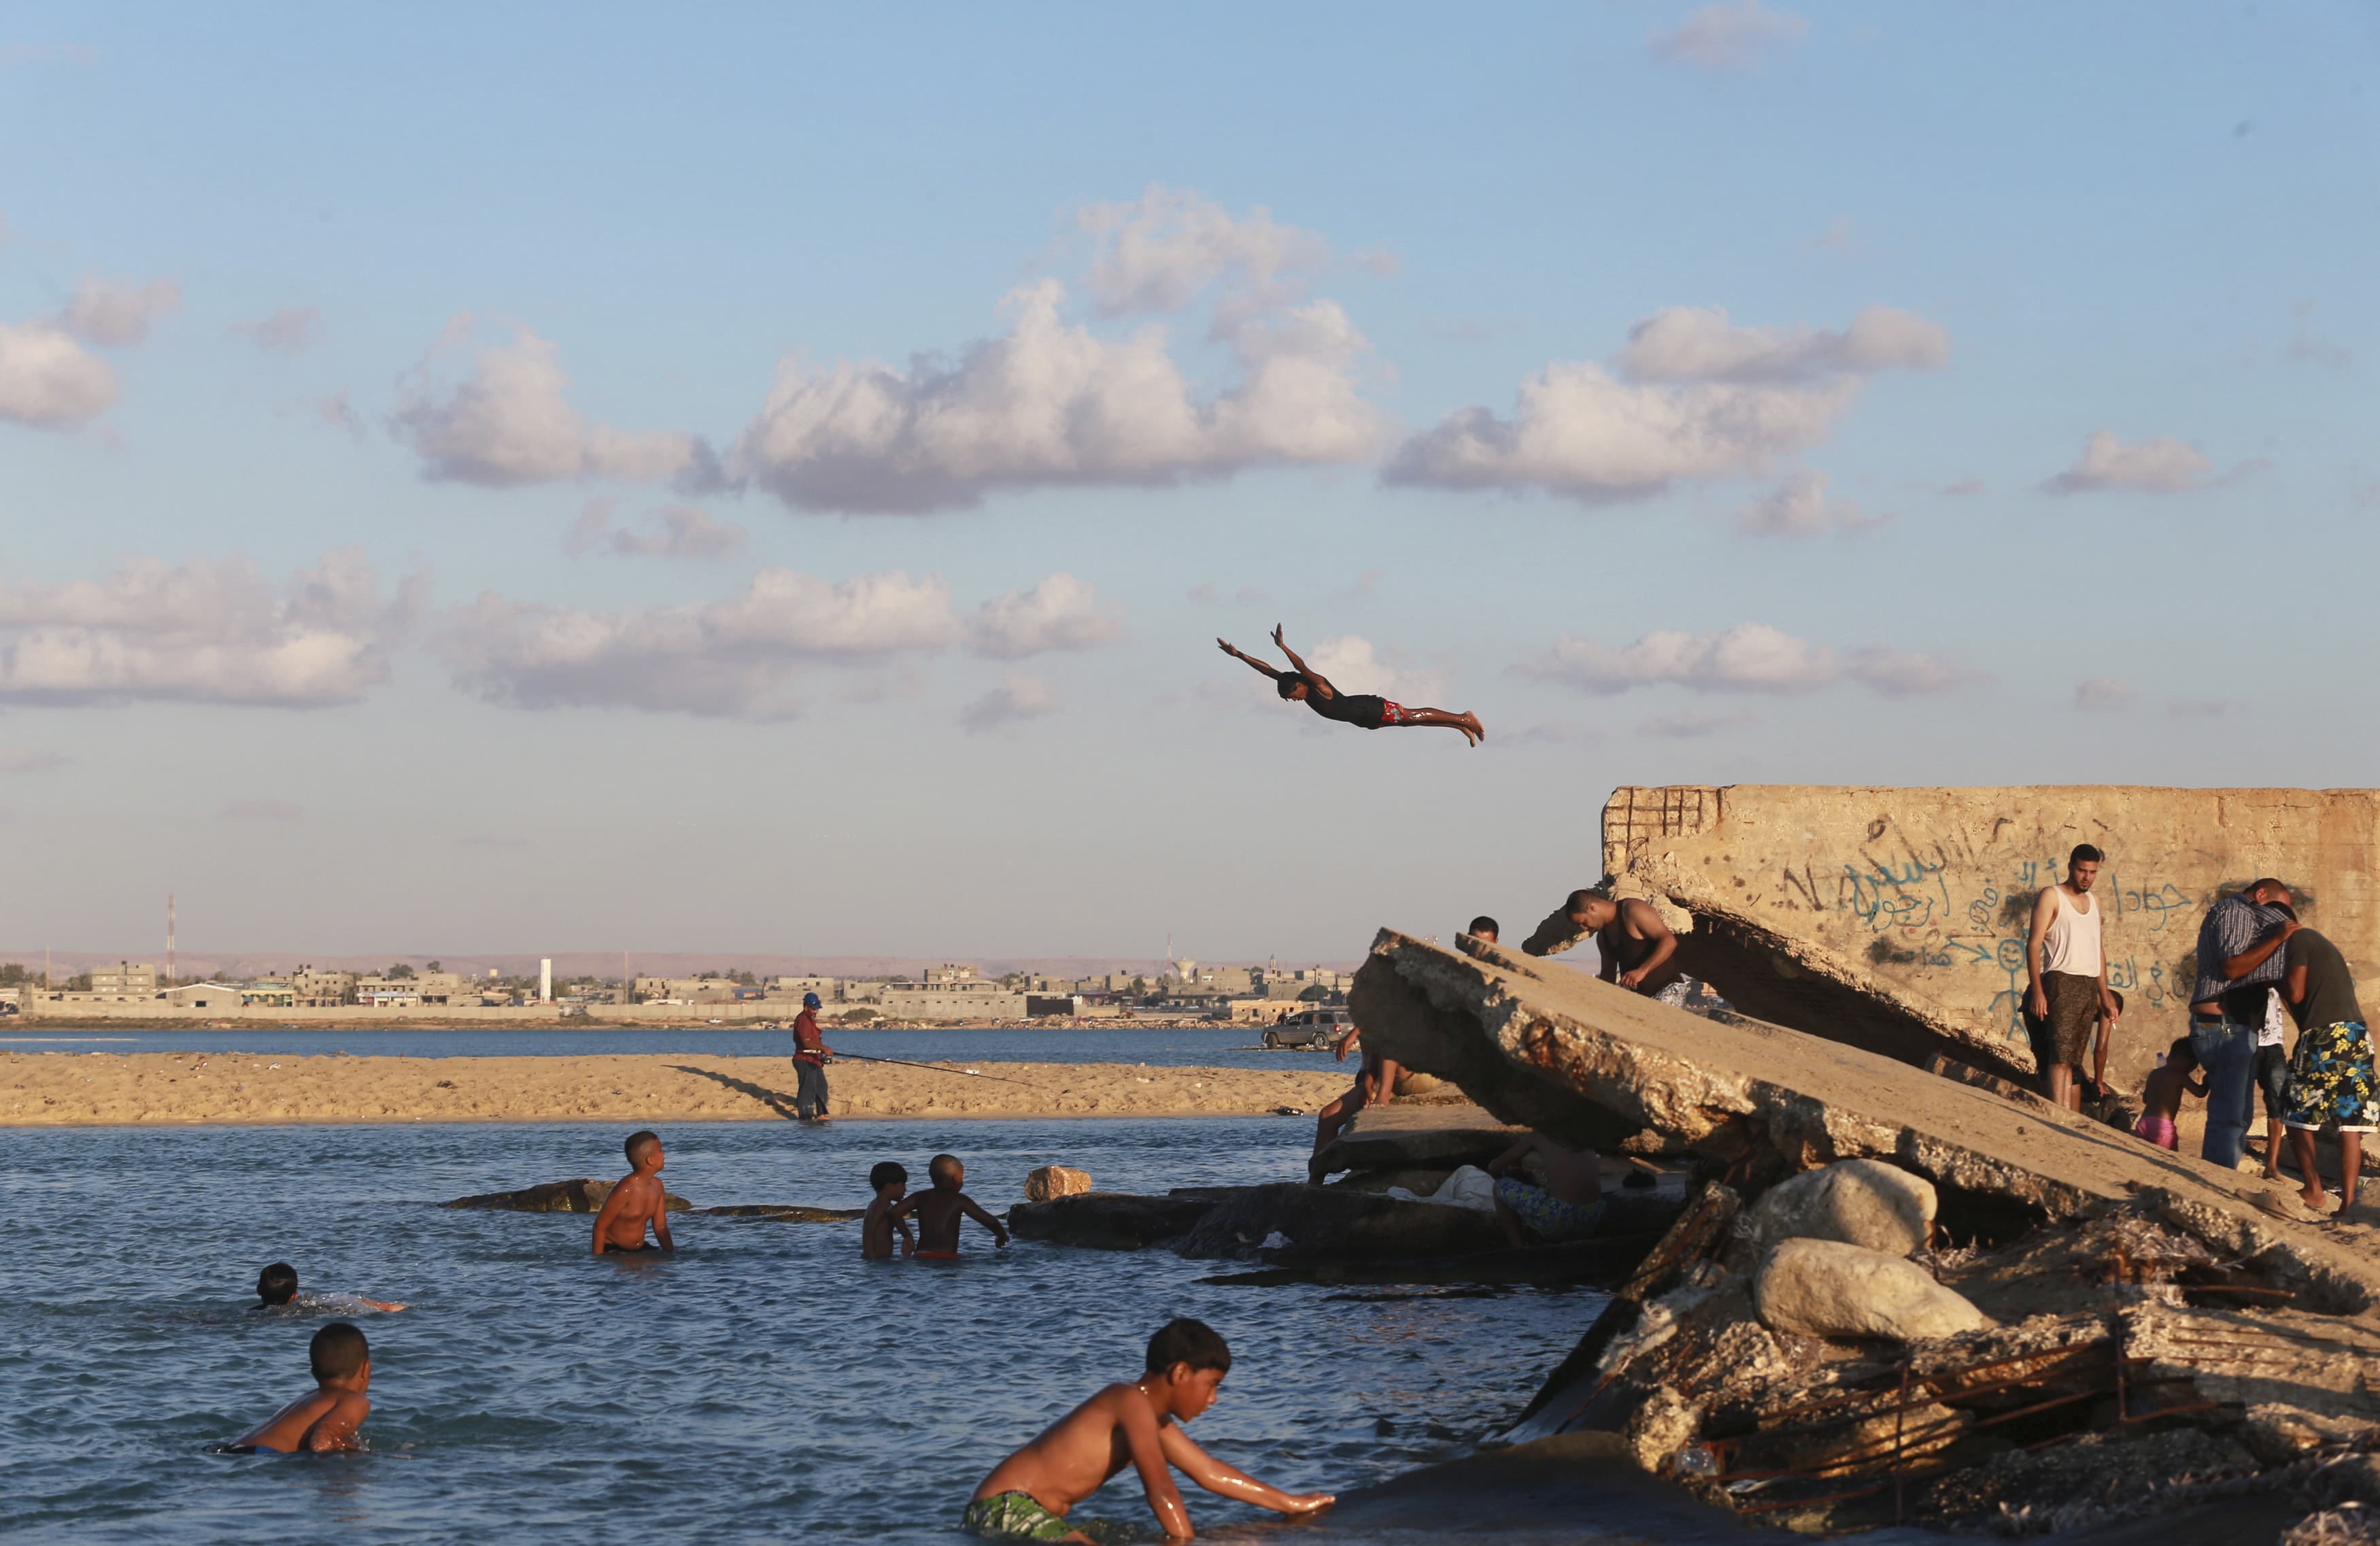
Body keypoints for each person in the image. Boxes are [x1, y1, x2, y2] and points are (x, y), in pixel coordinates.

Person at [964, 1318, 1335, 1542]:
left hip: (1020, 1514)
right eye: (1212, 1385)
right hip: (1004, 1506)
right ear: (1180, 1373)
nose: (1213, 1400)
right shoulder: (1129, 1401)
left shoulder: (1148, 1416)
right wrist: (1185, 1542)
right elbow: (1160, 1490)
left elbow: (1208, 1473)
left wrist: (1292, 1503)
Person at [2188, 879, 2300, 1168]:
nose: (2278, 920)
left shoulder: (2247, 919)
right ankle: (2213, 1185)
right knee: (2231, 1115)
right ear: (2261, 894)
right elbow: (2233, 966)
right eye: (2276, 910)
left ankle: (2216, 1179)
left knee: (2239, 1114)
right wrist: (2277, 938)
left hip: (2236, 1027)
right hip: (2223, 1025)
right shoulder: (2237, 911)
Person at [1217, 624, 1483, 746]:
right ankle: (1460, 725)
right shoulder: (1295, 686)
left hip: (1371, 708)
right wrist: (1240, 655)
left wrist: (1283, 647)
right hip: (1365, 719)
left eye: (1294, 695)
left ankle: (1464, 718)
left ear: (1300, 685)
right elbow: (1268, 670)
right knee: (1411, 723)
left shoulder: (1319, 686)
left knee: (1411, 716)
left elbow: (1300, 667)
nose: (1296, 700)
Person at [2281, 922, 2372, 1216]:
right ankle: (2347, 1206)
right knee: (2351, 1124)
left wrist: (2274, 983)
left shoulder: (2297, 938)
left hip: (2325, 1037)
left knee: (2295, 1111)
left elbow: (2295, 993)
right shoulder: (2323, 946)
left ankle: (2313, 1189)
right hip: (2356, 1034)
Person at [2024, 844, 2123, 1112]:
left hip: (2088, 985)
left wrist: (2105, 996)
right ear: (2071, 866)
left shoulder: (2095, 901)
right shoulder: (2051, 896)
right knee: (2059, 1055)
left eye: (2092, 872)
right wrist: (2038, 991)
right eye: (2082, 870)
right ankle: (2057, 1117)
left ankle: (2066, 1116)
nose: (2087, 877)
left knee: (2073, 1060)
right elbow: (2033, 944)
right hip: (2060, 981)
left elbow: (2098, 950)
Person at [1522, 888, 1686, 1004]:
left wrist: (1641, 971)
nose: (1584, 929)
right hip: (1640, 998)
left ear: (1592, 908)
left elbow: (1669, 941)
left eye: (1584, 923)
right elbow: (1607, 975)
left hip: (1668, 988)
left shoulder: (1633, 910)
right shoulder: (1603, 937)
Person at [229, 1322, 372, 1453]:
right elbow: (322, 1443)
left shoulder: (307, 1400)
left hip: (231, 1449)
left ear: (314, 1373)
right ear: (366, 1369)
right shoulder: (355, 1400)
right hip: (261, 1455)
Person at [1484, 1130, 1606, 1248]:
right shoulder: (1582, 1134)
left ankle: (1519, 1249)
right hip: (1594, 1216)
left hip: (1559, 1219)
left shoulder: (1540, 1134)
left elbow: (1494, 1166)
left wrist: (1501, 1176)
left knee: (1500, 1186)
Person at [1308, 1023, 1400, 1175]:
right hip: (1368, 1075)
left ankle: (1317, 1179)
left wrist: (1354, 1033)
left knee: (1328, 1116)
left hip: (1383, 1077)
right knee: (1328, 1118)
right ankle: (1316, 1179)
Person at [894, 1154, 1009, 1258]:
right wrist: (1001, 1235)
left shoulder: (920, 1197)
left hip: (921, 1255)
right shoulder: (959, 1200)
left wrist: (907, 1235)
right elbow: (988, 1220)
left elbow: (894, 1212)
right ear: (956, 1178)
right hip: (947, 1257)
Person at [591, 1130, 677, 1255]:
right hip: (614, 1250)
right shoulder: (625, 1189)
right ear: (650, 1160)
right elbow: (599, 1226)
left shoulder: (657, 1186)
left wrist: (671, 1255)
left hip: (640, 1249)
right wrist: (597, 1261)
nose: (664, 1154)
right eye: (660, 1150)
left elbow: (660, 1227)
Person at [2133, 1037, 2207, 1151]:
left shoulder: (2154, 1073)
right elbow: (2200, 1093)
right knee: (2169, 1158)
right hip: (2163, 1128)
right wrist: (2207, 1080)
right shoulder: (2180, 1076)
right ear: (2180, 1058)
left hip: (2144, 1122)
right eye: (2191, 1064)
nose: (2191, 1068)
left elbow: (2145, 1099)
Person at [254, 1262, 406, 1313]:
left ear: (258, 1290)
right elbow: (385, 1307)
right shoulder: (311, 1304)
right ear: (294, 1295)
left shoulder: (252, 1314)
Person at [863, 1160, 917, 1260]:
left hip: (882, 1259)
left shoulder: (885, 1206)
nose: (905, 1190)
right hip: (877, 1260)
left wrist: (908, 1237)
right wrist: (870, 1259)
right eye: (903, 1185)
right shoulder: (880, 1206)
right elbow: (868, 1235)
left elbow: (899, 1223)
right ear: (889, 1187)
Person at [792, 992, 833, 1122]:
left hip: (814, 1060)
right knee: (807, 1089)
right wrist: (824, 1048)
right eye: (813, 1009)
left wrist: (821, 1053)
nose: (816, 1012)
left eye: (817, 1009)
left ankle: (821, 1114)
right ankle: (805, 1116)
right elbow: (806, 1042)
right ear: (806, 1007)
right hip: (804, 1060)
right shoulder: (802, 1020)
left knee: (822, 1087)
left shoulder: (810, 1021)